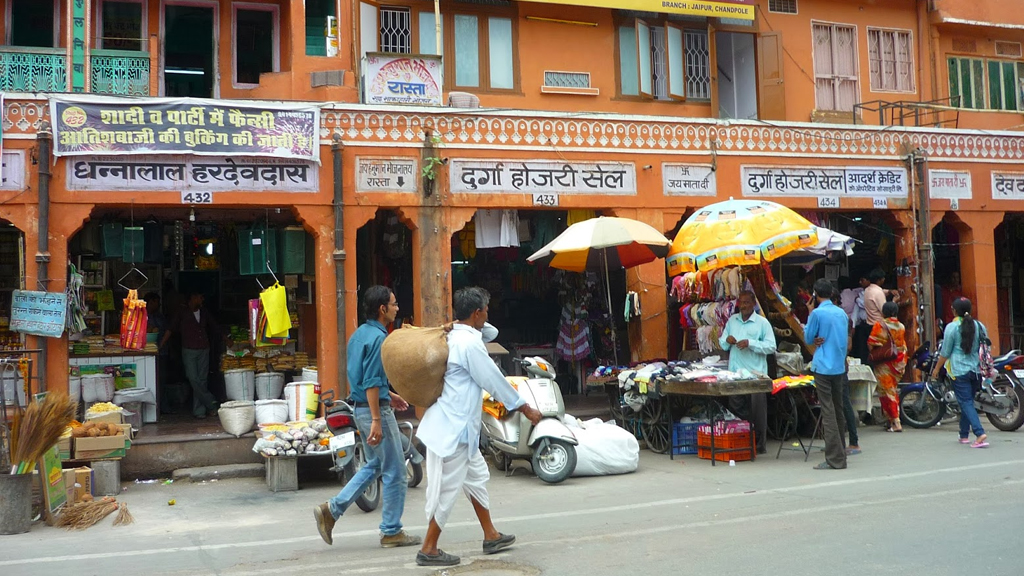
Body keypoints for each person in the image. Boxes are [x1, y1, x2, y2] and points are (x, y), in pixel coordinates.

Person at [414, 287, 543, 567]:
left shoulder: (456, 336)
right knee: (448, 489)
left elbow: (489, 331)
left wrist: (463, 321)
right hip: (456, 428)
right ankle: (429, 547)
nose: (488, 314)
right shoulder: (469, 345)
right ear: (476, 313)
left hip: (459, 427)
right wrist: (525, 407)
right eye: (485, 310)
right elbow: (494, 380)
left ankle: (491, 534)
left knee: (476, 479)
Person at [314, 286, 420, 549]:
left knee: (373, 466)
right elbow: (372, 381)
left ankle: (332, 510)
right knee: (395, 471)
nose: (397, 308)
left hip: (361, 407)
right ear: (382, 309)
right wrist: (377, 418)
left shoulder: (360, 335)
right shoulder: (380, 339)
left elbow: (366, 379)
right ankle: (391, 531)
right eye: (394, 304)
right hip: (374, 413)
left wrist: (389, 395)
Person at [718, 291, 776, 454]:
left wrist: (750, 343)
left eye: (747, 303)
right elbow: (723, 344)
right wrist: (727, 340)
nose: (743, 306)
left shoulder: (762, 323)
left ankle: (759, 444)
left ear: (753, 304)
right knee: (736, 408)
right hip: (735, 374)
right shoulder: (732, 321)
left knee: (757, 411)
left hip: (755, 374)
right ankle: (741, 440)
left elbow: (771, 346)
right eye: (741, 303)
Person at [931, 297, 989, 448]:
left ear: (954, 310)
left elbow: (945, 352)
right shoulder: (979, 325)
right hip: (976, 369)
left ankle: (979, 433)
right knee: (968, 401)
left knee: (965, 402)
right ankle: (964, 434)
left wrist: (937, 369)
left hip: (958, 369)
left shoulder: (952, 327)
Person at [159, 290, 227, 419]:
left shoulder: (204, 312)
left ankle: (199, 411)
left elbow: (214, 327)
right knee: (193, 378)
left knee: (202, 380)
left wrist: (226, 339)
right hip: (189, 350)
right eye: (200, 297)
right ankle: (211, 402)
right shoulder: (182, 312)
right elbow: (170, 329)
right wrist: (161, 345)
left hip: (204, 349)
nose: (202, 300)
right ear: (193, 298)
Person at [804, 280, 849, 470]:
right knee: (838, 409)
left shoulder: (817, 313)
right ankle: (840, 451)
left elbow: (807, 338)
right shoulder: (842, 313)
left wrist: (809, 312)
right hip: (839, 365)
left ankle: (834, 457)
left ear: (815, 294)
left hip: (823, 366)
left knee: (828, 411)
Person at [868, 302, 908, 433]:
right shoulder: (901, 326)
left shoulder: (880, 325)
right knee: (892, 390)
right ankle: (891, 420)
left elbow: (872, 343)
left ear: (884, 312)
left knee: (887, 392)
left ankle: (896, 421)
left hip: (884, 363)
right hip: (898, 363)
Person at [145, 292, 173, 415]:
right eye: (156, 302)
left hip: (161, 352)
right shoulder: (143, 316)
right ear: (150, 302)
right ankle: (153, 409)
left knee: (161, 380)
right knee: (150, 380)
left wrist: (161, 345)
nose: (159, 304)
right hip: (147, 353)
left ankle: (163, 407)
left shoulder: (159, 317)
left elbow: (168, 330)